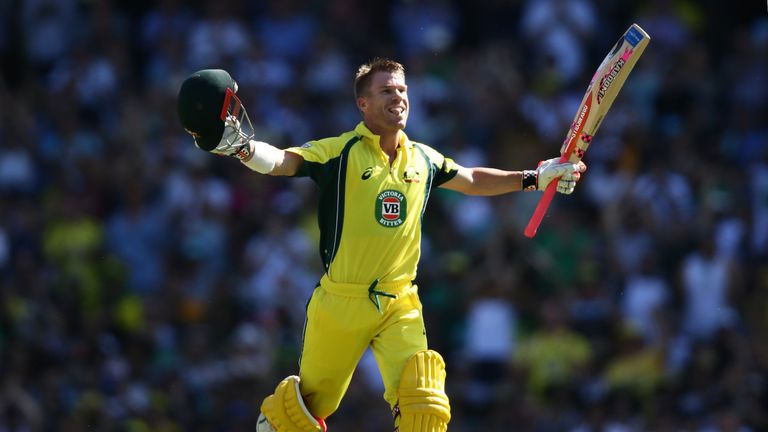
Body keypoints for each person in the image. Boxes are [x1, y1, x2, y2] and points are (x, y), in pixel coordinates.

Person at [176, 59, 586, 432]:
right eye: (386, 91)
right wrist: (246, 149)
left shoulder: (423, 159)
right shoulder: (339, 152)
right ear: (363, 104)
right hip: (341, 302)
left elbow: (473, 179)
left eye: (402, 90)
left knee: (424, 407)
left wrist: (535, 177)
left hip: (399, 301)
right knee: (300, 415)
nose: (398, 97)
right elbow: (285, 161)